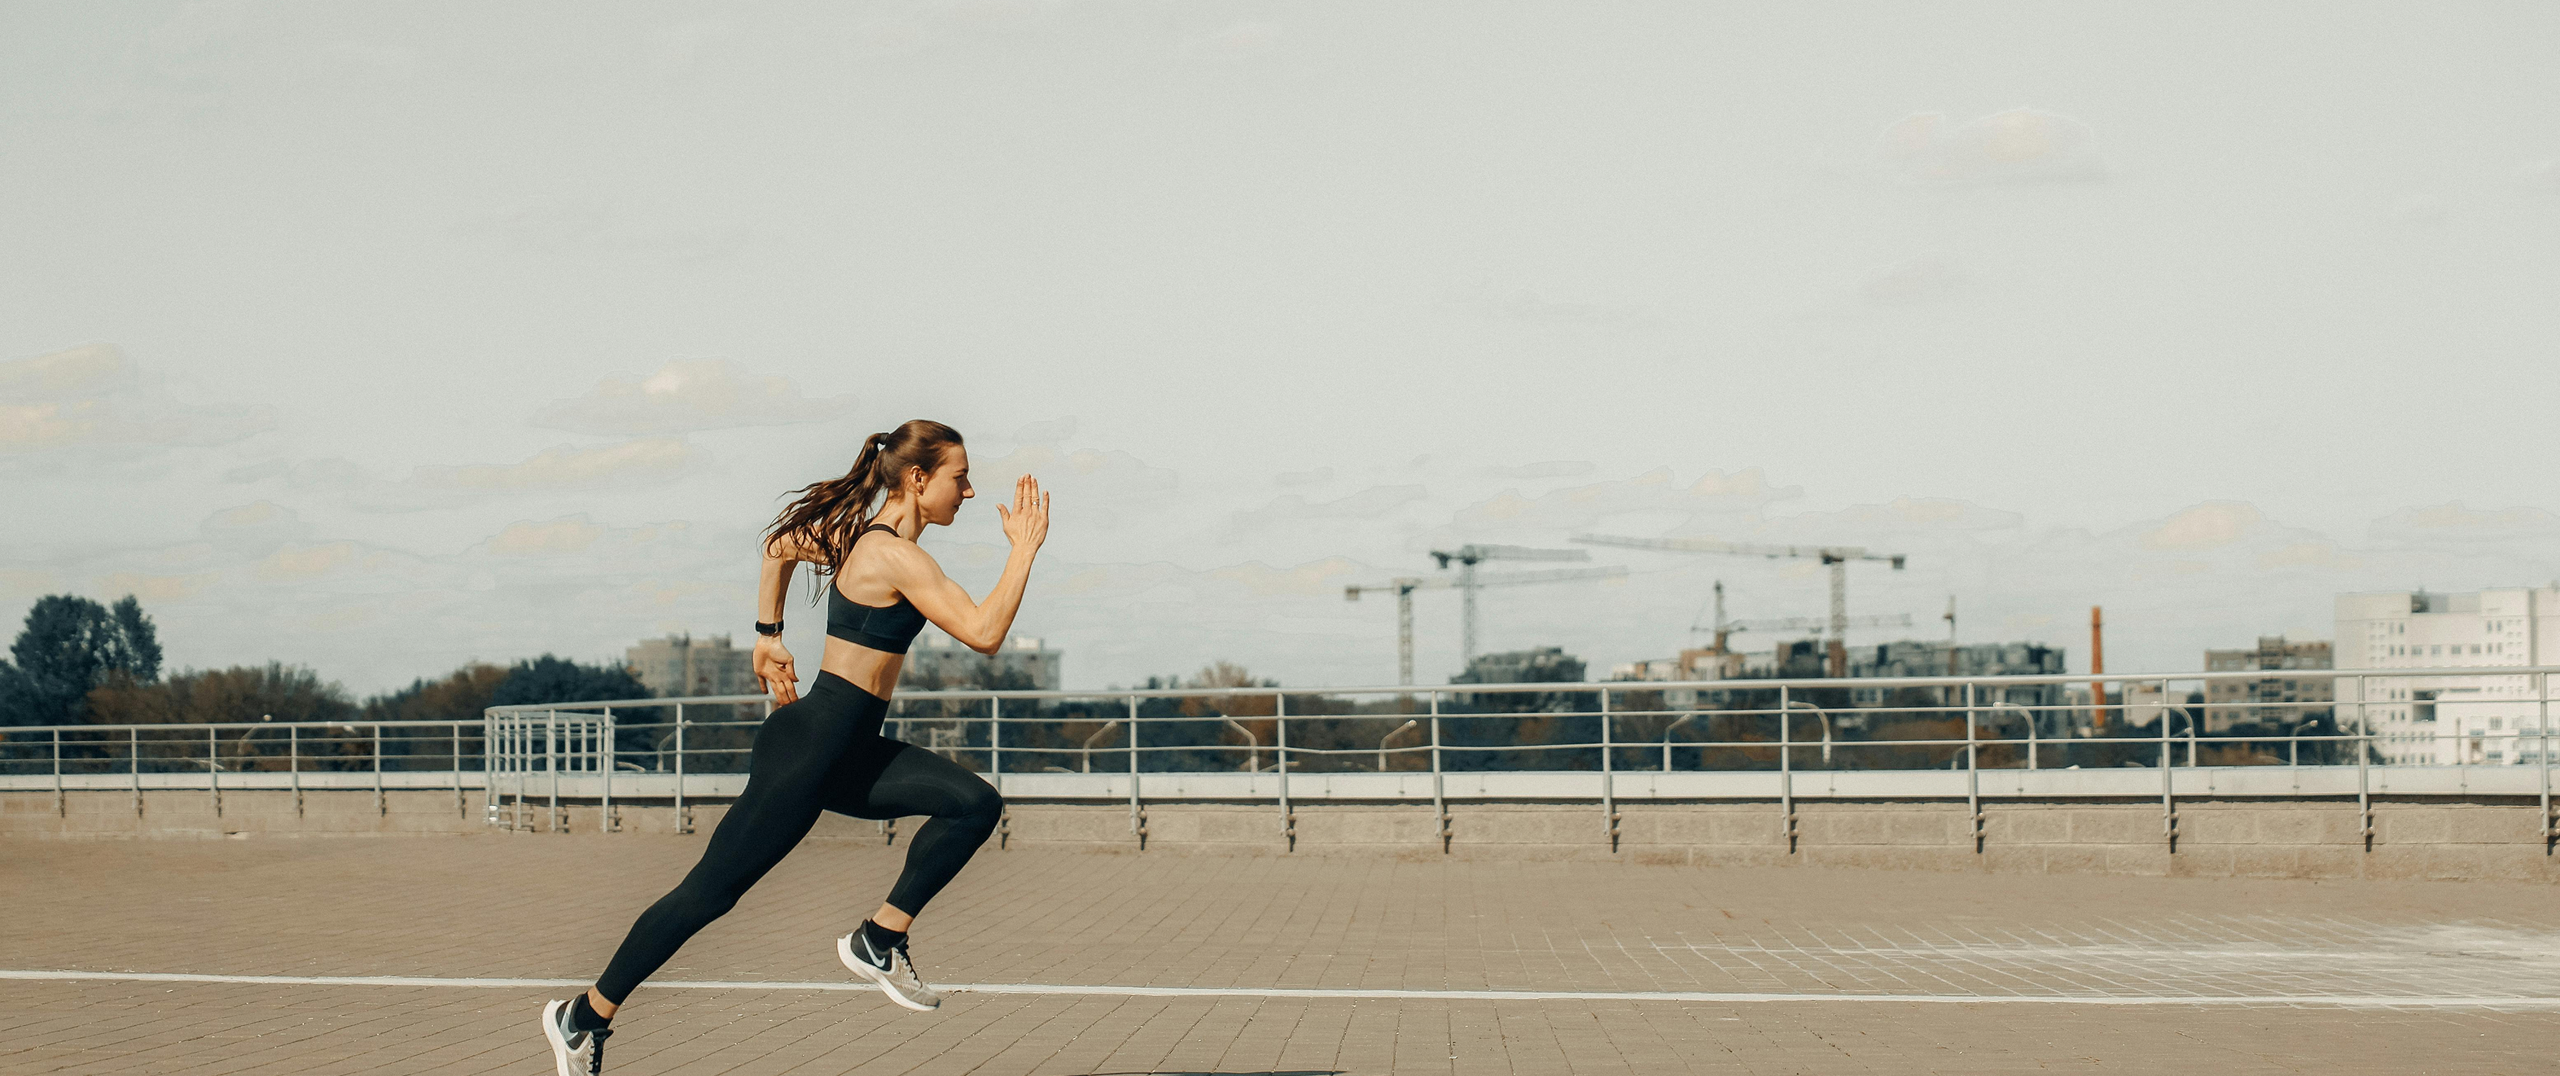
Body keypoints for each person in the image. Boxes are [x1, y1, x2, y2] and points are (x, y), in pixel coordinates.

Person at [539, 419, 1049, 1076]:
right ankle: (582, 1017)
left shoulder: (859, 539)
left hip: (847, 749)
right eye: (961, 477)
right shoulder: (893, 556)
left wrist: (767, 634)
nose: (970, 492)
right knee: (707, 895)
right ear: (919, 479)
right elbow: (983, 632)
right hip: (807, 753)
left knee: (973, 805)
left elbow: (780, 546)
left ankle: (879, 938)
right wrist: (1023, 551)